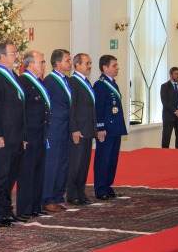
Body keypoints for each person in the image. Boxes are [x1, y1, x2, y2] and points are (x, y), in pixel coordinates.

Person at [0, 41, 27, 226]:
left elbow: (20, 107)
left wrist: (24, 136)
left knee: (11, 175)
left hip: (16, 135)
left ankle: (7, 210)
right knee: (0, 175)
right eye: (12, 53)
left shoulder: (13, 76)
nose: (16, 56)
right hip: (4, 136)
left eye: (16, 53)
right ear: (2, 56)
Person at [17, 51, 50, 219]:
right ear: (29, 64)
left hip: (41, 134)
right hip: (29, 135)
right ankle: (24, 208)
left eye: (44, 62)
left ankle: (36, 206)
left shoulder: (39, 82)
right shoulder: (23, 81)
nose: (44, 65)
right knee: (27, 173)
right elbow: (21, 111)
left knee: (38, 172)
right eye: (41, 62)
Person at [41, 49, 72, 212]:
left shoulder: (67, 80)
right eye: (67, 60)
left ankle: (59, 195)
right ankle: (47, 198)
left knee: (63, 164)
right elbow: (46, 106)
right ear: (57, 63)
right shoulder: (50, 81)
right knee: (52, 164)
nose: (70, 63)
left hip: (66, 128)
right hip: (54, 129)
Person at [93, 55, 127, 200]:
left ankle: (108, 186)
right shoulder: (100, 85)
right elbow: (98, 108)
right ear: (105, 68)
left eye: (117, 65)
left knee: (112, 159)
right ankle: (100, 189)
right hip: (105, 129)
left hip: (115, 128)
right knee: (103, 159)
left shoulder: (113, 83)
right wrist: (100, 127)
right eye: (114, 65)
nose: (117, 68)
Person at [66, 53, 97, 206]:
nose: (89, 66)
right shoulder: (73, 82)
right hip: (79, 130)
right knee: (76, 164)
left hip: (88, 128)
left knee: (84, 163)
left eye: (90, 63)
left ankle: (81, 192)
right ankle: (72, 194)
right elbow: (72, 108)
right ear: (77, 65)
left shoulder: (86, 82)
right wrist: (75, 128)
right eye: (87, 63)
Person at [160, 67, 178, 149]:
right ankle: (164, 156)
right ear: (171, 75)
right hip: (169, 116)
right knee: (166, 138)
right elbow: (165, 101)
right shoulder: (165, 86)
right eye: (176, 74)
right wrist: (175, 111)